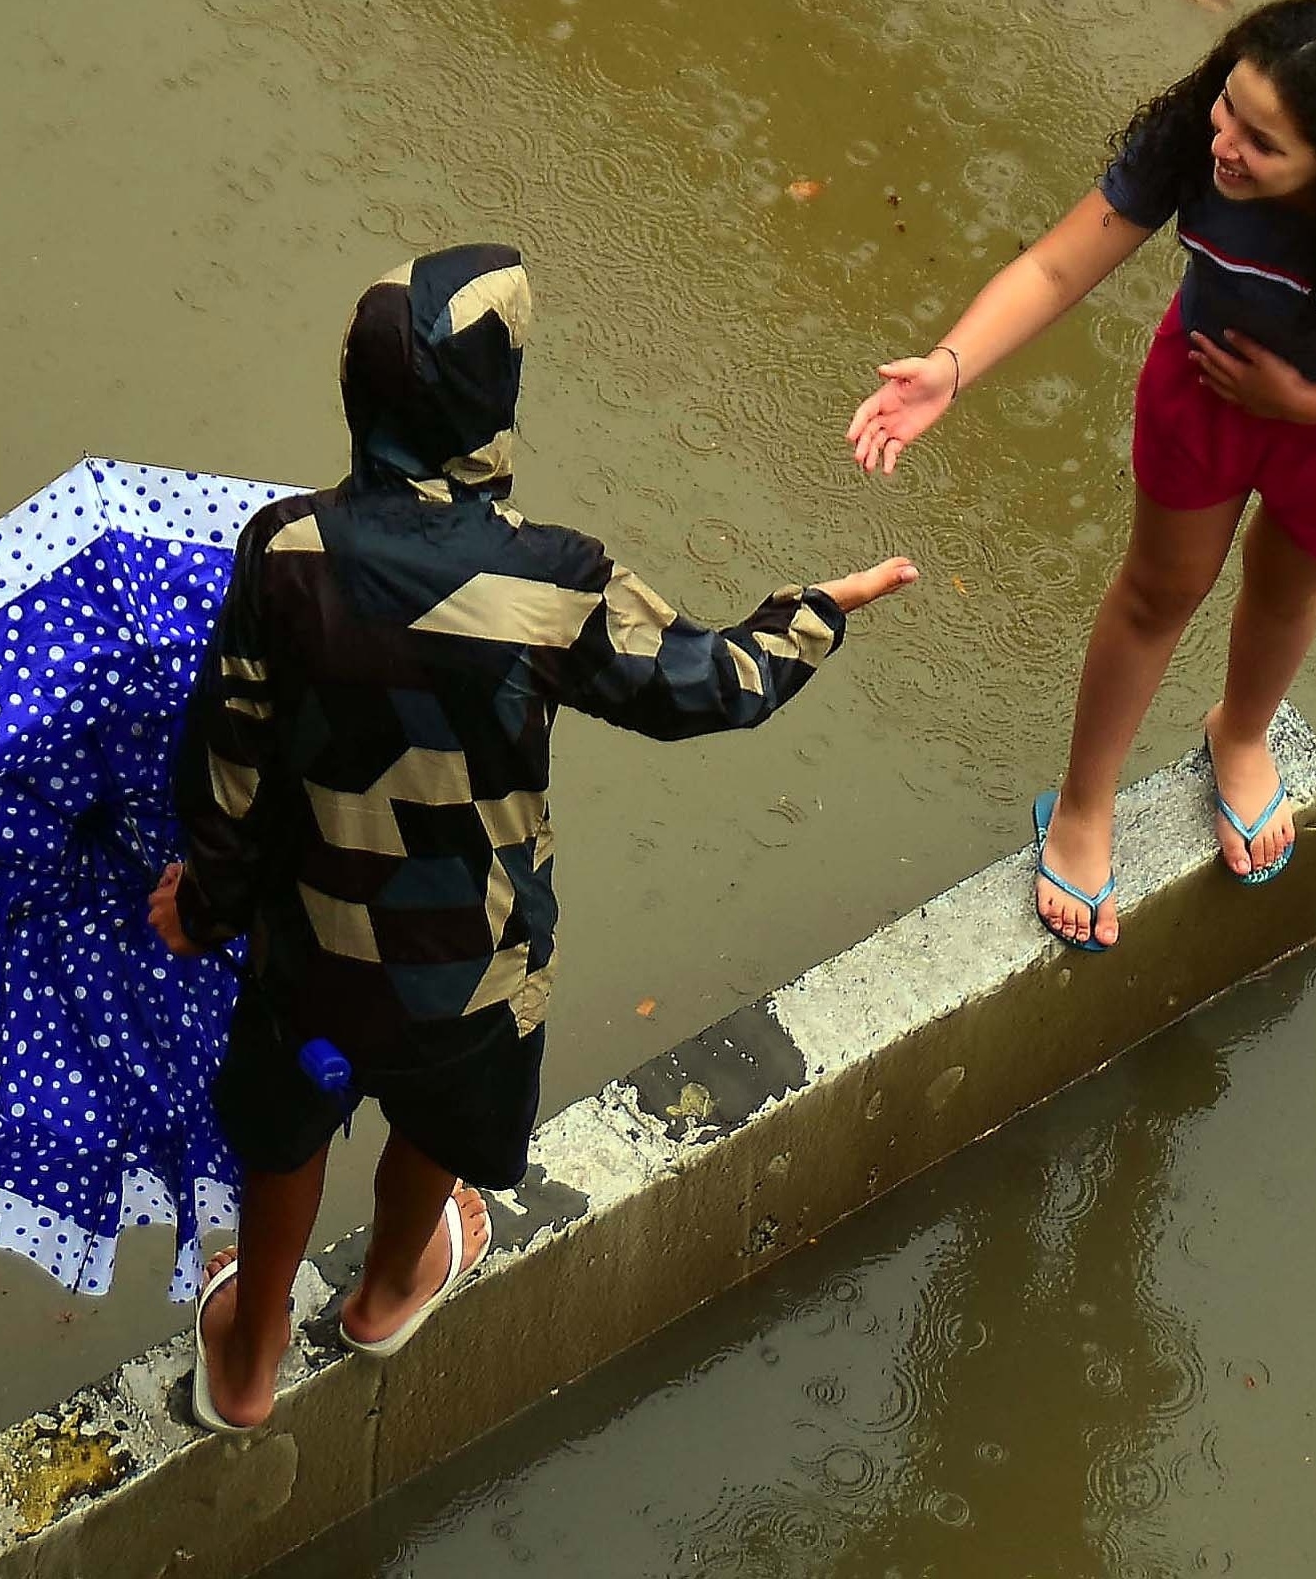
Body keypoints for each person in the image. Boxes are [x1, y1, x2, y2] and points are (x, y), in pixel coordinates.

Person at [149, 242, 915, 1431]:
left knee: (291, 1126)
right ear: (491, 409)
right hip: (475, 966)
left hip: (310, 963)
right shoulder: (553, 583)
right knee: (439, 1121)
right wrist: (813, 615)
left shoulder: (283, 551)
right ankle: (390, 1291)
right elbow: (709, 683)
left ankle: (247, 1358)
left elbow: (229, 755)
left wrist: (203, 902)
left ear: (355, 395)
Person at [847, 0, 1316, 949]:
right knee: (1159, 587)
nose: (1225, 143)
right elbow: (1055, 267)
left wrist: (1305, 403)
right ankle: (1086, 805)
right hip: (1209, 388)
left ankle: (1240, 732)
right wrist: (951, 369)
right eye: (1227, 109)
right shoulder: (1191, 141)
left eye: (1263, 140)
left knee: (1288, 588)